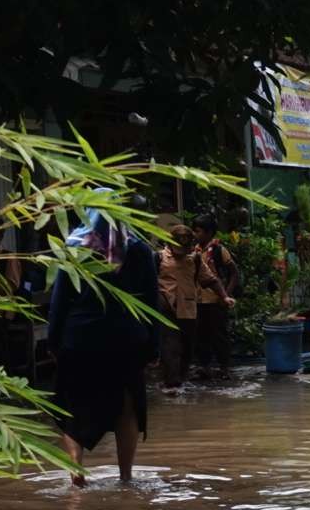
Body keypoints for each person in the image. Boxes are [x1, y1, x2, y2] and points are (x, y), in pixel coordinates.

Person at [47, 207, 159, 486]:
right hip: (127, 341)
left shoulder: (74, 247)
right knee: (127, 407)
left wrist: (53, 341)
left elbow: (59, 300)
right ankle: (125, 477)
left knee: (73, 406)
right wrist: (153, 345)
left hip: (79, 339)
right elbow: (150, 302)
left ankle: (76, 475)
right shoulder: (139, 249)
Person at [154, 225, 206, 391]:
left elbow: (209, 279)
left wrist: (224, 296)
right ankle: (172, 383)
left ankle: (180, 380)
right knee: (170, 346)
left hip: (189, 307)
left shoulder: (195, 259)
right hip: (166, 307)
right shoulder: (159, 257)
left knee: (187, 346)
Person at [190, 213, 240, 380]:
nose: (195, 234)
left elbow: (234, 273)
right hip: (198, 299)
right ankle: (204, 367)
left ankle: (224, 367)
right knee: (201, 335)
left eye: (198, 231)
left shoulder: (219, 250)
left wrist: (227, 293)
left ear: (209, 232)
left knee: (219, 335)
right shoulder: (193, 250)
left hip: (216, 299)